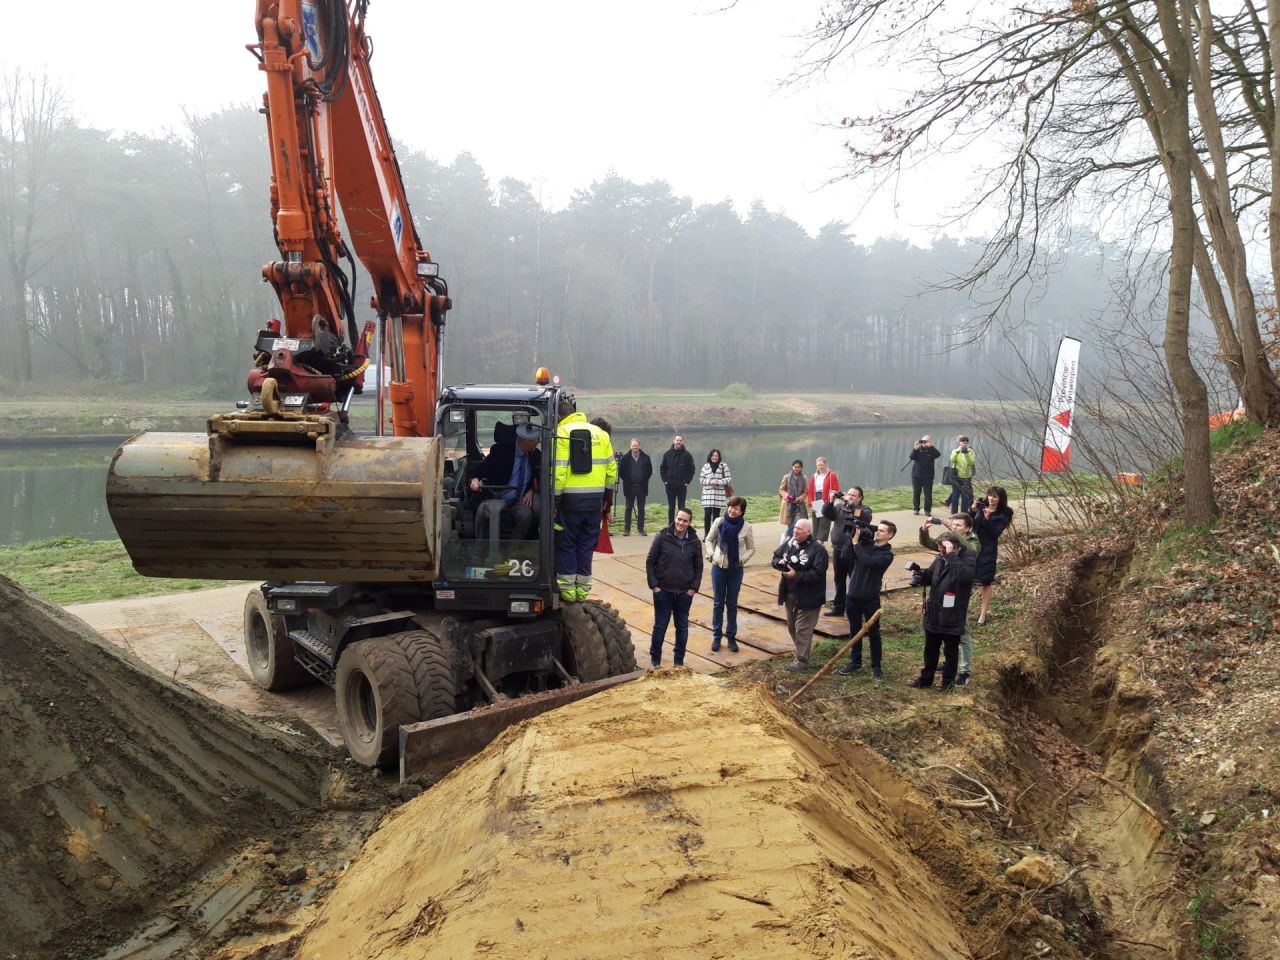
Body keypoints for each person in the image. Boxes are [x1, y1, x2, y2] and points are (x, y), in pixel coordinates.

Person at [553, 396, 617, 603]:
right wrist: (606, 500)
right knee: (586, 544)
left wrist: (555, 500)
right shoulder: (600, 434)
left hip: (570, 502)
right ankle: (582, 590)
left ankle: (568, 590)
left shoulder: (562, 433)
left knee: (568, 543)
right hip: (595, 502)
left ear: (560, 416)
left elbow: (560, 472)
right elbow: (611, 471)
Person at [906, 532, 977, 692]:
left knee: (951, 651)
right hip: (935, 612)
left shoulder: (968, 559)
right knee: (930, 648)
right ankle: (925, 679)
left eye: (944, 550)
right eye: (940, 550)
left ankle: (947, 683)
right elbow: (932, 574)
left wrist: (951, 555)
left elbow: (964, 577)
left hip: (952, 614)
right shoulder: (940, 557)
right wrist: (922, 577)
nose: (940, 553)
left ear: (955, 548)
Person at [920, 512, 980, 686]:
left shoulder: (972, 544)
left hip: (957, 603)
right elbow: (930, 543)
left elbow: (966, 565)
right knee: (935, 641)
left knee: (962, 637)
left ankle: (964, 671)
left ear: (967, 529)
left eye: (958, 526)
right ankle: (940, 671)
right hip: (940, 604)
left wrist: (951, 548)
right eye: (952, 525)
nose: (954, 529)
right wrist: (924, 530)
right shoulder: (944, 551)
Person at [835, 519, 897, 680]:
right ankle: (855, 662)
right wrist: (852, 539)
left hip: (870, 599)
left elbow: (868, 562)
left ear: (890, 535)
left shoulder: (887, 554)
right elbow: (845, 556)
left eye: (882, 531)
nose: (878, 532)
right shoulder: (865, 544)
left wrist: (856, 544)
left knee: (874, 633)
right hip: (853, 596)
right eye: (878, 529)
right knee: (854, 630)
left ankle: (876, 666)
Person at [646, 507, 702, 668]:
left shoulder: (694, 542)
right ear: (675, 518)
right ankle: (655, 661)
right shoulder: (662, 537)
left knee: (682, 627)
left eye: (685, 520)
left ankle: (679, 662)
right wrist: (654, 585)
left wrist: (693, 588)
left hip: (684, 593)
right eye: (679, 519)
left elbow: (699, 567)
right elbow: (650, 561)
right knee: (660, 626)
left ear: (689, 523)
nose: (680, 523)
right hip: (663, 591)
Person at [468, 422, 541, 541]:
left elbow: (539, 475)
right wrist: (475, 480)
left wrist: (531, 490)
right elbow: (478, 471)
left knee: (525, 515)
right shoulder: (501, 452)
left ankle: (512, 550)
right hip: (496, 496)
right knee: (482, 512)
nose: (538, 442)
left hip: (518, 501)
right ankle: (481, 549)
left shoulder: (535, 455)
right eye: (536, 440)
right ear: (524, 441)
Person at [771, 517, 828, 672]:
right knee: (792, 628)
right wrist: (779, 564)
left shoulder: (818, 550)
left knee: (802, 629)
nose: (795, 531)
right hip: (790, 594)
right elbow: (775, 557)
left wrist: (796, 575)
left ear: (808, 532)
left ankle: (802, 663)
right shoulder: (790, 544)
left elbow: (818, 574)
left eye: (799, 529)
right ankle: (801, 655)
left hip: (810, 595)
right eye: (795, 528)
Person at [704, 496, 755, 653]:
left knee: (732, 604)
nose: (732, 510)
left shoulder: (746, 527)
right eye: (731, 507)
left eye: (736, 508)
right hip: (718, 568)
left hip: (735, 570)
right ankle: (717, 637)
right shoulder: (719, 522)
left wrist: (742, 560)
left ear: (741, 511)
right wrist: (711, 554)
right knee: (718, 604)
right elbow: (709, 539)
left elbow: (751, 548)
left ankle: (731, 637)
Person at [822, 487, 872, 618]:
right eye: (848, 494)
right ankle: (838, 608)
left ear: (860, 498)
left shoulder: (863, 509)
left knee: (855, 581)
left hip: (853, 551)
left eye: (853, 496)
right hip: (838, 549)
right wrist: (831, 500)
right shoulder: (839, 507)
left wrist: (851, 504)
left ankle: (857, 610)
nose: (849, 497)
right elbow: (826, 513)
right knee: (839, 580)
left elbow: (865, 517)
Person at [970, 485, 1014, 625]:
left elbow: (995, 533)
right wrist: (972, 511)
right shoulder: (981, 505)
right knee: (967, 577)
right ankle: (962, 610)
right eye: (990, 495)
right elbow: (968, 523)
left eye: (994, 496)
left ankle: (983, 615)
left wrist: (988, 518)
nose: (991, 498)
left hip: (988, 548)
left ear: (1000, 499)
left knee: (986, 581)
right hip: (973, 546)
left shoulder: (1005, 513)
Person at [617, 437, 653, 536]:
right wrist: (628, 480)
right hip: (630, 487)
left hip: (642, 487)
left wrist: (644, 479)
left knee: (641, 509)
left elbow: (649, 471)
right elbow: (621, 472)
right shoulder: (625, 458)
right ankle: (627, 529)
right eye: (633, 446)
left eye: (636, 445)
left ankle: (641, 529)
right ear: (630, 446)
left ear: (639, 446)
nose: (635, 447)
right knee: (628, 508)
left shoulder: (646, 457)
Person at [659, 434, 696, 526]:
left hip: (682, 486)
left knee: (681, 507)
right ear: (674, 441)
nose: (678, 442)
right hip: (670, 485)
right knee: (671, 507)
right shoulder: (667, 454)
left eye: (680, 440)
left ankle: (681, 525)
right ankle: (671, 526)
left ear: (682, 442)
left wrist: (687, 481)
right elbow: (662, 468)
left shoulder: (687, 455)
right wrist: (665, 481)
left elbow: (691, 470)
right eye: (677, 440)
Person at [698, 448, 732, 535]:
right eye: (713, 455)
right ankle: (707, 535)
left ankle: (715, 535)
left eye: (716, 456)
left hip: (719, 494)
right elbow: (701, 479)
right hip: (707, 494)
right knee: (707, 515)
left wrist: (718, 482)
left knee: (716, 516)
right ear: (710, 456)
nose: (715, 457)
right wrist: (709, 481)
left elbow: (728, 479)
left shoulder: (724, 466)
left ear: (719, 457)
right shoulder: (705, 466)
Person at [807, 457, 841, 542]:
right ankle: (814, 541)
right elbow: (810, 490)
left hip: (826, 499)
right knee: (816, 521)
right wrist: (810, 504)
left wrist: (831, 498)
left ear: (825, 464)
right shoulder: (815, 476)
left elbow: (835, 488)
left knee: (824, 521)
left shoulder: (831, 475)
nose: (820, 467)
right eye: (818, 465)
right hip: (816, 498)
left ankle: (820, 541)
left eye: (822, 465)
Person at [909, 436, 942, 515]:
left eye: (927, 441)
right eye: (923, 441)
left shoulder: (931, 450)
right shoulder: (918, 449)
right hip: (916, 476)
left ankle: (927, 510)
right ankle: (916, 509)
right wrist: (915, 448)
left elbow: (938, 454)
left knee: (928, 494)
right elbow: (911, 457)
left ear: (930, 441)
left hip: (928, 477)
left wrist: (930, 447)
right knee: (916, 493)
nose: (924, 442)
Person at [777, 459, 808, 539]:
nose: (797, 468)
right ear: (792, 467)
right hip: (789, 504)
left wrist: (800, 498)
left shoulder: (804, 478)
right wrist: (789, 497)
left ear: (801, 468)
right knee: (790, 523)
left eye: (799, 467)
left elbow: (805, 491)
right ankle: (790, 541)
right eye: (795, 467)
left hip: (799, 504)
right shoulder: (786, 477)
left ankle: (786, 535)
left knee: (798, 522)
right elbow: (781, 490)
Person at [947, 436, 977, 513]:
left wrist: (966, 454)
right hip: (956, 477)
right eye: (962, 443)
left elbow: (971, 462)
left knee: (965, 497)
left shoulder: (971, 451)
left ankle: (964, 514)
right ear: (959, 443)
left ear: (968, 444)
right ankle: (954, 513)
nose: (964, 444)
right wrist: (957, 452)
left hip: (966, 477)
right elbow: (952, 460)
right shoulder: (955, 451)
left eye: (965, 443)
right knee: (955, 496)